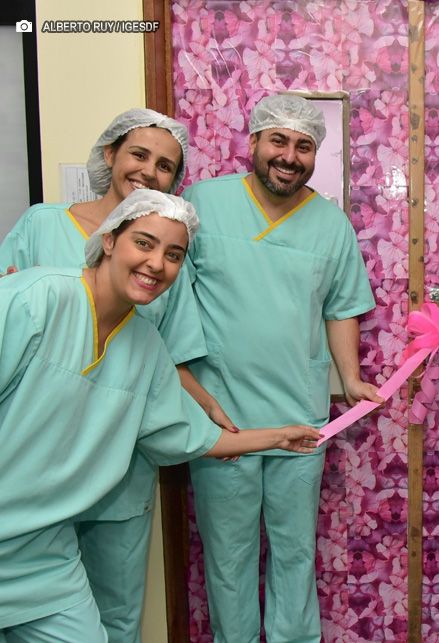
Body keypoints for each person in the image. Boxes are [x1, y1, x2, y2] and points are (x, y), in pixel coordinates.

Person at [0, 189, 319, 643]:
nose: (157, 264)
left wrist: (276, 438)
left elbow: (186, 436)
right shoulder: (35, 299)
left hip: (46, 559)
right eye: (144, 243)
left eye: (174, 254)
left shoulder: (146, 346)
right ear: (110, 240)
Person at [0, 108, 233, 643]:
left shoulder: (167, 255)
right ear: (109, 155)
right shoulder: (41, 231)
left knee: (109, 618)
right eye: (139, 155)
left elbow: (164, 357)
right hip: (26, 458)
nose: (150, 171)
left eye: (166, 166)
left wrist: (214, 416)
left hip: (111, 459)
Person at [181, 93, 379, 642]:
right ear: (254, 143)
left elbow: (340, 308)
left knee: (295, 554)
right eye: (279, 141)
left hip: (300, 414)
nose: (289, 156)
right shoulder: (201, 204)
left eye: (304, 145)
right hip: (223, 417)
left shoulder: (330, 224)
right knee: (229, 558)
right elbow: (166, 297)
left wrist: (352, 376)